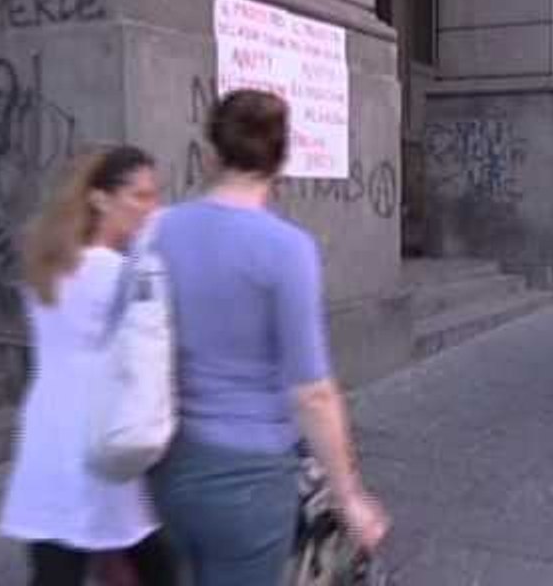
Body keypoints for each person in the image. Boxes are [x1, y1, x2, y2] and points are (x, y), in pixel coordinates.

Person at [150, 89, 389, 585]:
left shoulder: (160, 229)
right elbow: (313, 392)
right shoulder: (286, 249)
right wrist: (349, 497)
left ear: (212, 151)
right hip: (251, 477)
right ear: (281, 161)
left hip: (170, 465)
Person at [0, 145, 176, 586]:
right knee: (154, 567)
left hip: (51, 434)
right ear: (100, 199)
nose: (152, 207)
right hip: (102, 435)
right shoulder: (118, 275)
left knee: (59, 563)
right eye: (141, 195)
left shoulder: (51, 268)